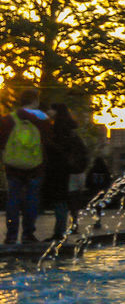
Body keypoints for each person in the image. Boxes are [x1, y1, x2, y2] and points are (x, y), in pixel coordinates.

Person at [1, 88, 51, 245]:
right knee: (32, 200)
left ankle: (11, 236)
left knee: (13, 200)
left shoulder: (8, 119)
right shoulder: (43, 119)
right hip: (35, 167)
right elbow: (48, 142)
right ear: (35, 100)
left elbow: (1, 141)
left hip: (12, 166)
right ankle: (28, 235)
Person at [42, 103, 88, 240]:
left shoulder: (59, 128)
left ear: (56, 111)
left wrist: (48, 144)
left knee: (60, 201)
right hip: (68, 170)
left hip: (59, 169)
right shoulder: (70, 128)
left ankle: (60, 232)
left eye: (50, 109)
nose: (48, 111)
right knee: (65, 200)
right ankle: (63, 229)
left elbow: (58, 150)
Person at [83, 156, 113, 228]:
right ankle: (98, 221)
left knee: (94, 205)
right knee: (99, 206)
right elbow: (108, 180)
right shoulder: (105, 170)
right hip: (102, 190)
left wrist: (88, 187)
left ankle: (96, 220)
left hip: (94, 190)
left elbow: (88, 180)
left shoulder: (92, 170)